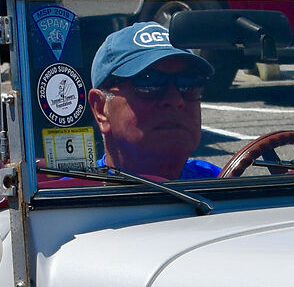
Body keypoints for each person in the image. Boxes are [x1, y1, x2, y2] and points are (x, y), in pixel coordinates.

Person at [87, 22, 221, 181]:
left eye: (189, 84)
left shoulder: (223, 181)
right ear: (101, 109)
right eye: (149, 83)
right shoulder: (70, 198)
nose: (175, 100)